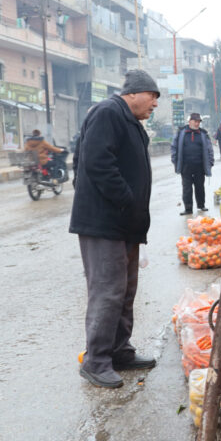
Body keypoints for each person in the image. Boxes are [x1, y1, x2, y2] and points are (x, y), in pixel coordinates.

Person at [69, 70, 160, 388]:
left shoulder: (129, 121)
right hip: (104, 222)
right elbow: (95, 162)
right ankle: (96, 361)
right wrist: (126, 198)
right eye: (153, 96)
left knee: (124, 291)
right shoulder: (108, 112)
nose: (155, 105)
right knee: (107, 292)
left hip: (124, 223)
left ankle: (120, 351)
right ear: (135, 93)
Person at [171, 112, 214, 215]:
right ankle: (188, 208)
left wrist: (211, 161)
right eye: (195, 121)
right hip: (185, 166)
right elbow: (174, 147)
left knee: (200, 186)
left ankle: (201, 205)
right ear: (189, 121)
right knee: (187, 188)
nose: (197, 123)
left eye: (198, 121)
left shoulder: (203, 134)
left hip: (199, 166)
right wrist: (175, 160)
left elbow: (209, 149)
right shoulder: (181, 132)